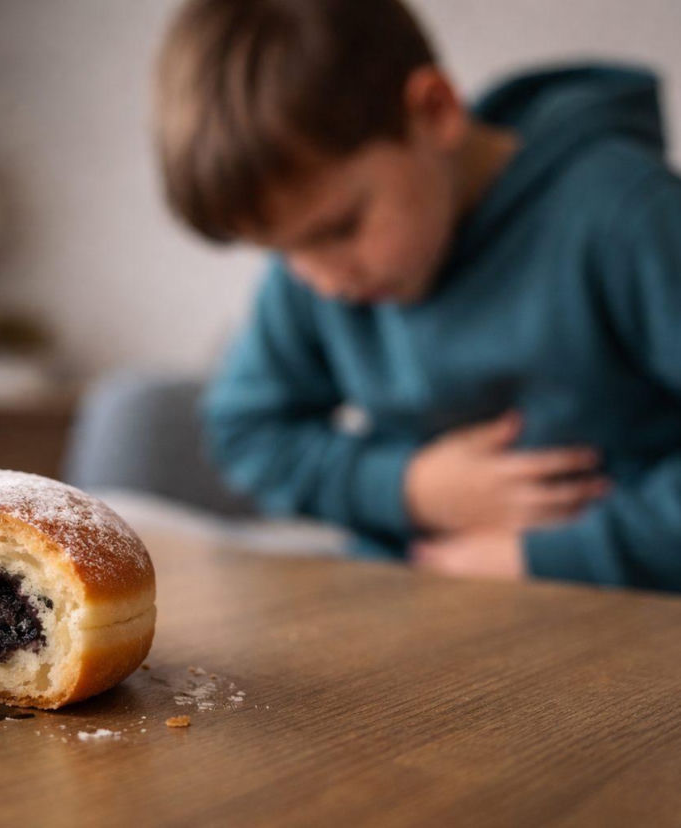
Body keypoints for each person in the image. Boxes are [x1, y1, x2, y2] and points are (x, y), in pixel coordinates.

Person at [152, 0, 681, 589]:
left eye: (340, 228)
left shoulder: (625, 217)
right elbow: (246, 430)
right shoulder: (317, 270)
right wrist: (411, 490)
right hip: (412, 595)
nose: (324, 282)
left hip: (619, 608)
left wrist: (552, 557)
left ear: (434, 111)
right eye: (282, 251)